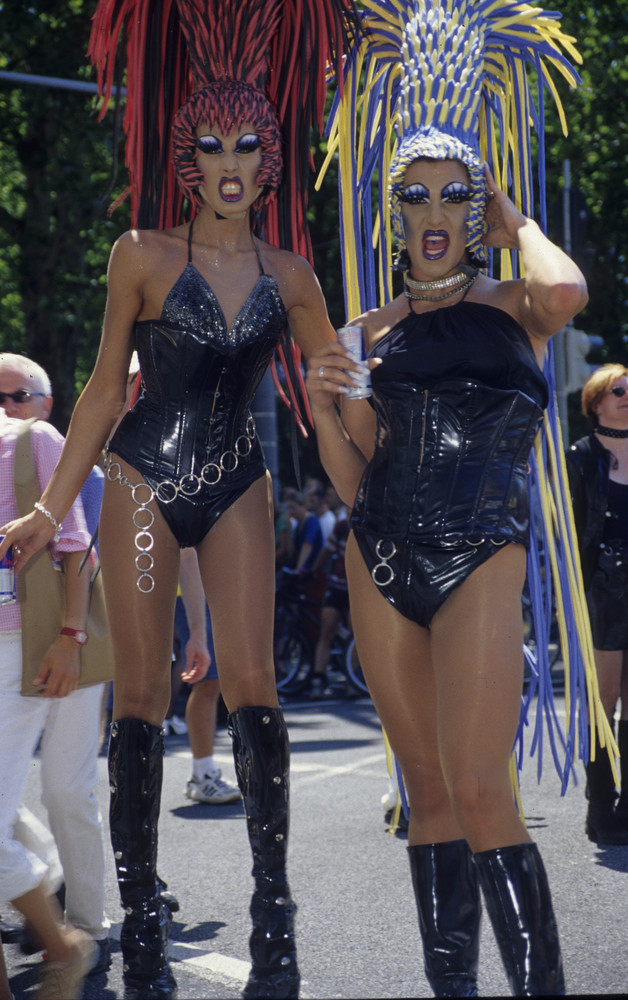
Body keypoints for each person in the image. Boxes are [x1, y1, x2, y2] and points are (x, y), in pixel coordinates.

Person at [0, 2, 354, 997]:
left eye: (248, 143)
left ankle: (273, 909)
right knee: (145, 697)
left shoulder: (292, 274)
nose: (230, 160)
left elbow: (331, 395)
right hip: (141, 483)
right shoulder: (141, 254)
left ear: (271, 158)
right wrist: (47, 510)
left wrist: (370, 482)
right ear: (187, 157)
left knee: (256, 686)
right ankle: (141, 905)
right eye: (211, 143)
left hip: (240, 482)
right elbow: (108, 391)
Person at [306, 1, 588, 995]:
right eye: (414, 196)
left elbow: (567, 295)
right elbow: (355, 478)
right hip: (379, 553)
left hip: (482, 548)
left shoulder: (515, 302)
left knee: (480, 790)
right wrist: (322, 405)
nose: (432, 215)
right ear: (393, 210)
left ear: (474, 208)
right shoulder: (365, 332)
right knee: (426, 795)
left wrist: (518, 223)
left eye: (451, 196)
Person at [0, 354, 112, 977]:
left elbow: (83, 553)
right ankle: (47, 891)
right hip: (10, 642)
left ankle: (87, 928)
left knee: (68, 787)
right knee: (10, 798)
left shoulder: (54, 450)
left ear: (43, 400)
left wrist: (71, 635)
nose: (6, 406)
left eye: (15, 394)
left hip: (68, 635)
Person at [565, 363, 628, 845]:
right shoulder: (580, 457)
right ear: (596, 402)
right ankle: (599, 806)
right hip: (601, 589)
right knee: (602, 702)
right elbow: (568, 529)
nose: (626, 397)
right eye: (617, 391)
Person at [176, 547, 240, 804]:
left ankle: (202, 773)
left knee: (210, 680)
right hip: (189, 588)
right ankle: (202, 775)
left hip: (203, 587)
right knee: (207, 680)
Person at [309, 515, 350, 699]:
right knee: (326, 631)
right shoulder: (341, 526)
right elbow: (327, 550)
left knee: (356, 635)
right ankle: (318, 678)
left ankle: (352, 678)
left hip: (356, 588)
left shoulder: (370, 520)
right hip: (337, 585)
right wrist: (312, 570)